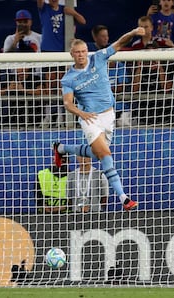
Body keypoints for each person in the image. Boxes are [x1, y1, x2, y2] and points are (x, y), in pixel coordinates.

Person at [54, 27, 146, 211]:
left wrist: (134, 32)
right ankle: (124, 198)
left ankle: (62, 148)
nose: (81, 55)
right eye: (77, 52)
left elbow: (120, 43)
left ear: (87, 52)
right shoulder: (69, 79)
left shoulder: (99, 58)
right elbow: (68, 104)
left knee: (97, 154)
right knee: (105, 156)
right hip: (90, 120)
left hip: (109, 116)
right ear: (72, 54)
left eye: (83, 51)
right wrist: (82, 114)